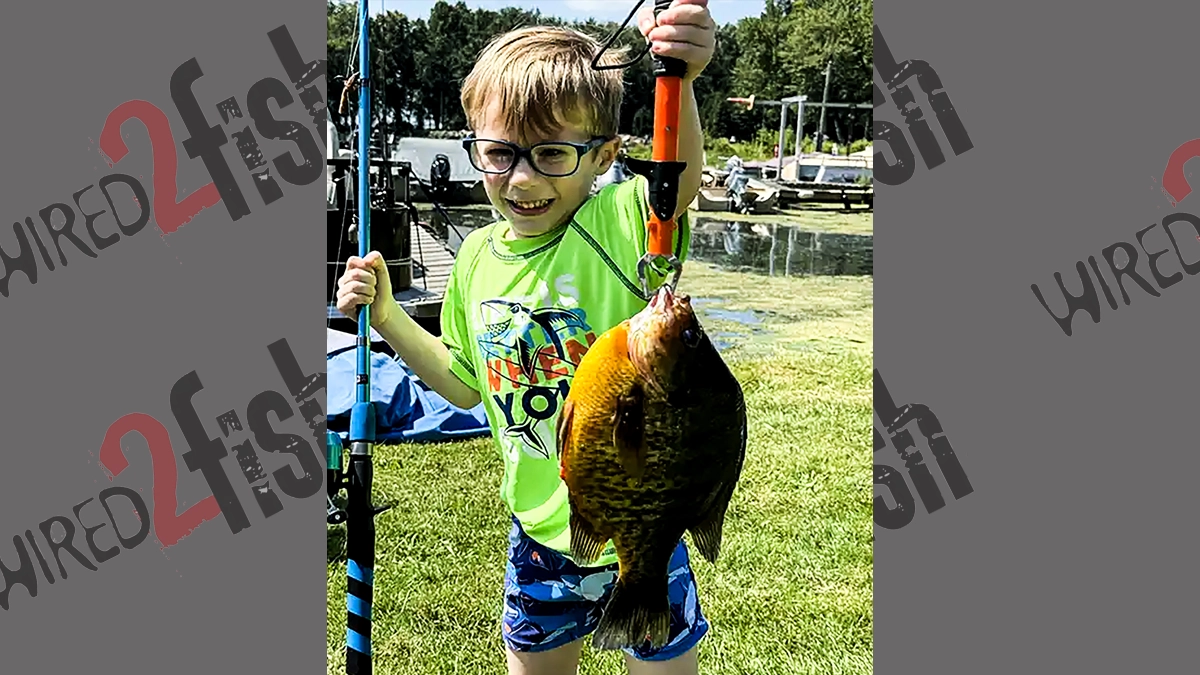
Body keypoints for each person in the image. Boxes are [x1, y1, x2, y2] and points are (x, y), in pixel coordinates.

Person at [336, 2, 716, 673]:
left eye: (550, 154)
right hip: (538, 539)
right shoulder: (475, 260)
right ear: (474, 147)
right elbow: (461, 382)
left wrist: (680, 76)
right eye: (499, 153)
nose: (521, 178)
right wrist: (391, 316)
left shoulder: (617, 225)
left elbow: (675, 180)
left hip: (647, 530)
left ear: (602, 156)